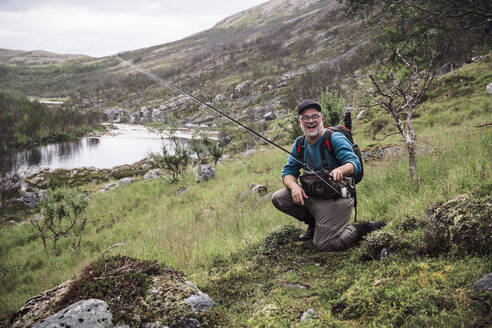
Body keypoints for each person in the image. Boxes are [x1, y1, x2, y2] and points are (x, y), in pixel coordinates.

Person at [272, 99, 384, 251]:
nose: (310, 121)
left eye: (315, 116)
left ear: (321, 119)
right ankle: (314, 224)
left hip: (338, 197)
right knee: (279, 198)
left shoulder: (334, 138)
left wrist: (341, 170)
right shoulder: (300, 143)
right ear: (300, 122)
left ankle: (363, 228)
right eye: (305, 118)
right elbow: (288, 172)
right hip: (314, 195)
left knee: (325, 244)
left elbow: (354, 163)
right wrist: (294, 187)